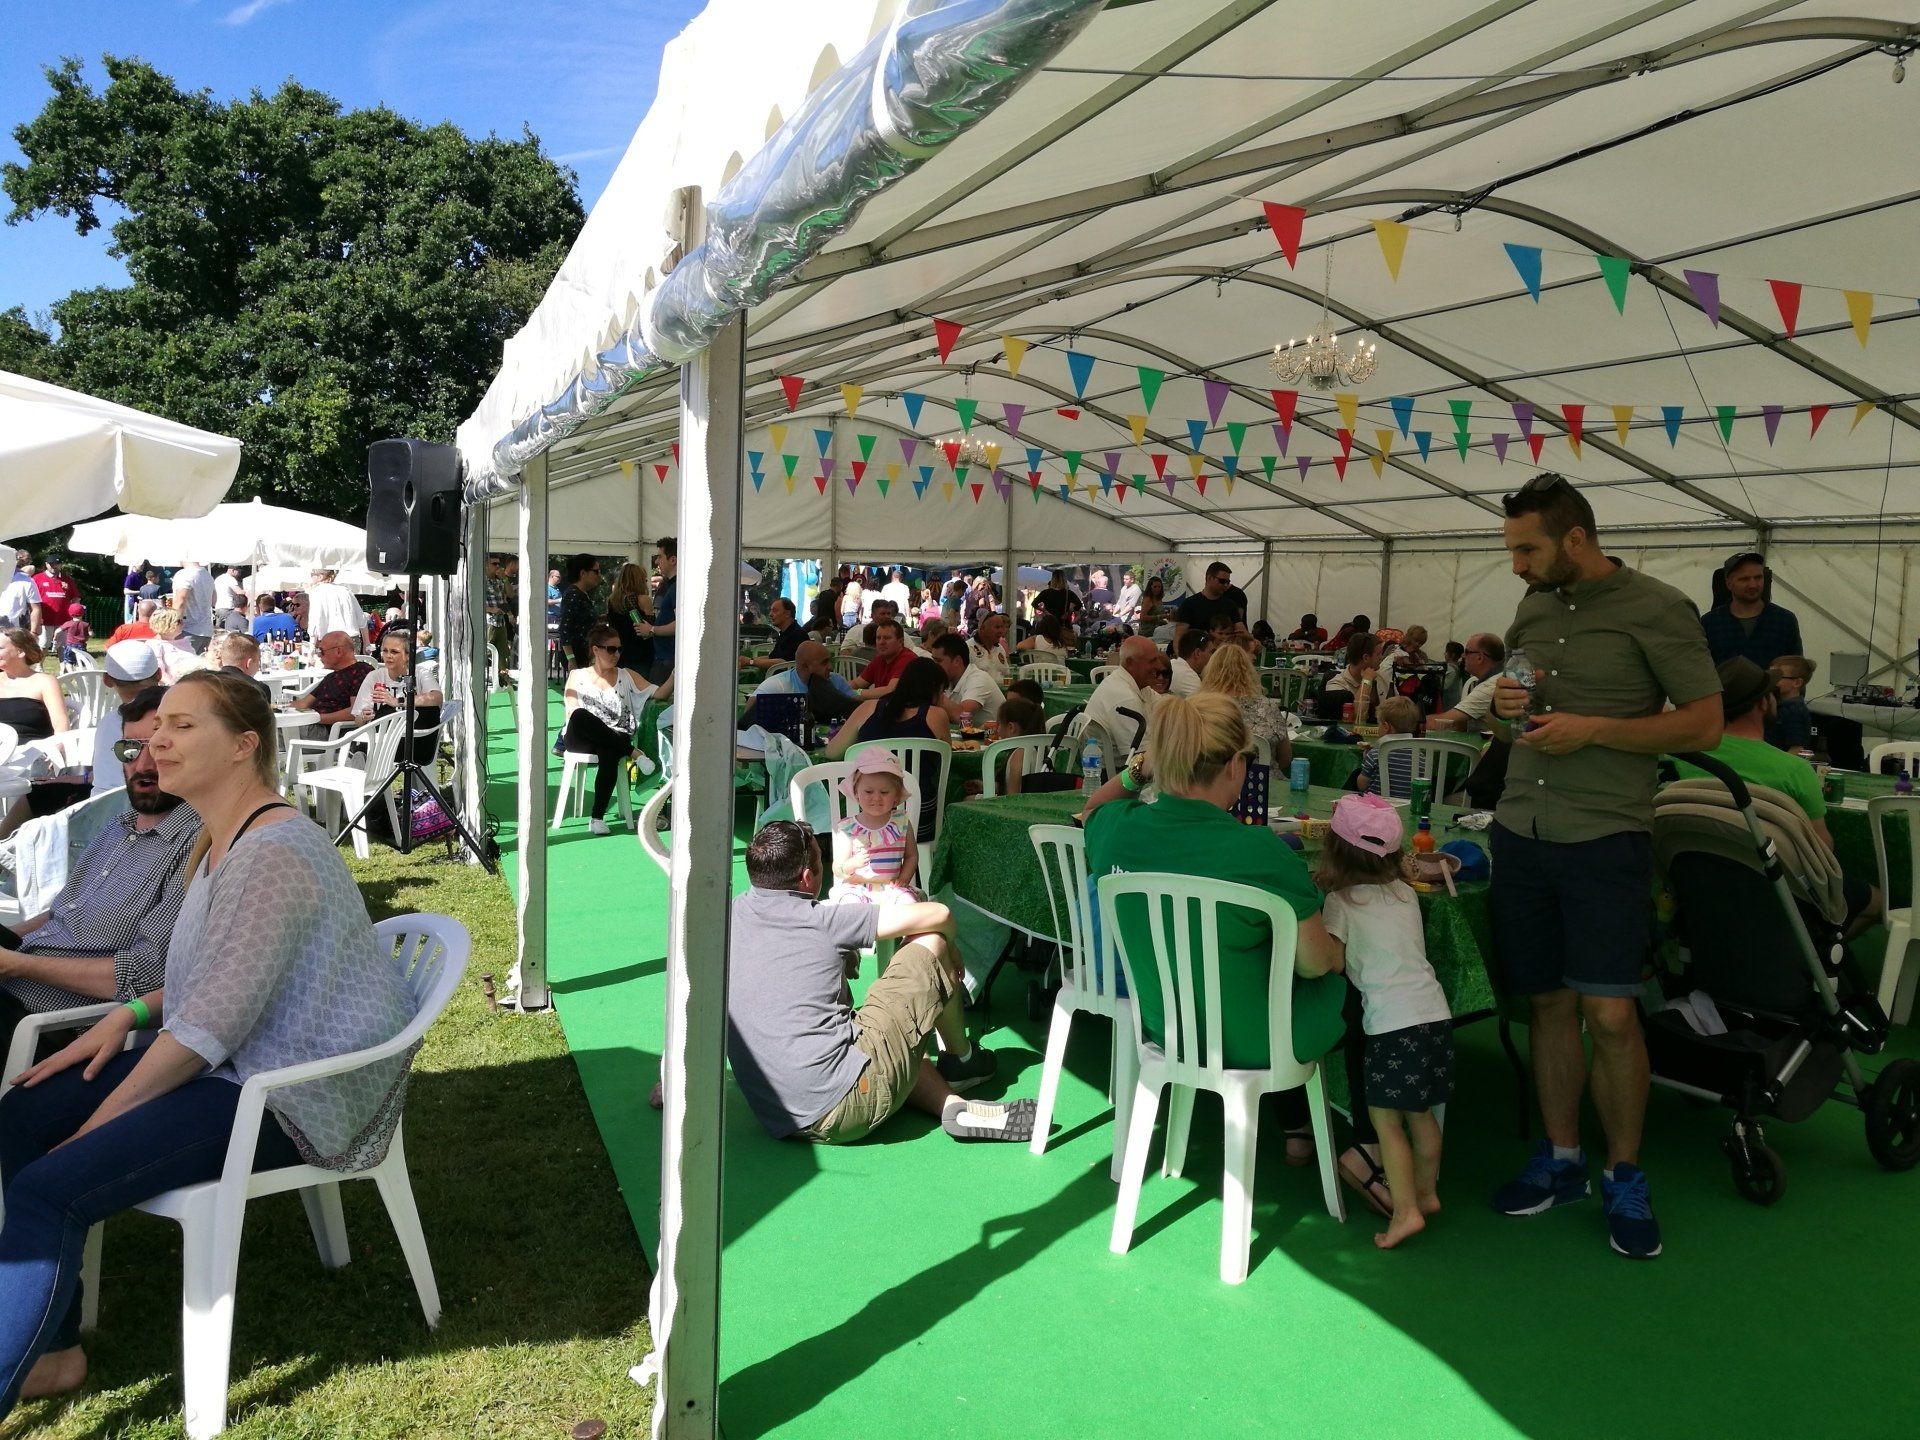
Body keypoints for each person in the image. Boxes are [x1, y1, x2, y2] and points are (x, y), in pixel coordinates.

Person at [0, 671, 418, 1417]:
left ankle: (30, 1362)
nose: (157, 739)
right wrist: (126, 1016)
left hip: (285, 1096)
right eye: (159, 725)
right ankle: (54, 1347)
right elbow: (213, 977)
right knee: (20, 1116)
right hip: (232, 1062)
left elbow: (207, 1030)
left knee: (48, 1185)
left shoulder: (272, 852)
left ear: (243, 747)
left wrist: (99, 1126)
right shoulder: (223, 840)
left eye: (185, 726)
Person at [1486, 473, 1721, 1261]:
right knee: (1548, 1007)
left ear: (1575, 539)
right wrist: (1507, 702)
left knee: (1611, 1016)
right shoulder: (1533, 606)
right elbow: (1513, 690)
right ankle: (1562, 1162)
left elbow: (1705, 725)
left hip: (1606, 835)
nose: (1515, 564)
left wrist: (1594, 730)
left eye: (1527, 548)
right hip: (1522, 826)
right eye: (1512, 548)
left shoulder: (1657, 608)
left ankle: (1625, 1173)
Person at [1082, 694, 1348, 1155]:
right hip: (1257, 1038)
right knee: (1351, 986)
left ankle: (1300, 1129)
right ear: (1233, 766)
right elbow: (1314, 966)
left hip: (1167, 1028)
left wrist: (1137, 771)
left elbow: (1091, 809)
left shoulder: (1116, 828)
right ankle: (1359, 1143)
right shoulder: (1261, 852)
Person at [725, 820, 1034, 1145]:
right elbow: (939, 914)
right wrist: (951, 952)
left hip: (780, 1113)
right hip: (850, 1100)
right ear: (806, 879)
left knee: (868, 1034)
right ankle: (963, 1061)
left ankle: (953, 1108)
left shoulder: (727, 917)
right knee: (931, 941)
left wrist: (669, 1083)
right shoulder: (823, 919)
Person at [0, 688, 200, 1055]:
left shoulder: (196, 842)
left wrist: (17, 966)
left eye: (159, 748)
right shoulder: (119, 825)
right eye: (130, 750)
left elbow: (146, 975)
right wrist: (7, 938)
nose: (142, 766)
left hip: (43, 1022)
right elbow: (60, 913)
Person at [1315, 793, 1452, 1249]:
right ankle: (1428, 1194)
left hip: (1391, 1026)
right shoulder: (1404, 895)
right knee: (1421, 1114)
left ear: (1334, 851)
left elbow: (1332, 962)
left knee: (1385, 1123)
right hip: (1434, 1015)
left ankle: (1406, 1210)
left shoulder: (1341, 902)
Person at [1676, 657, 1880, 937]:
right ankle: (1815, 954)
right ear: (1763, 704)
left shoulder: (1680, 756)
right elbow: (1822, 848)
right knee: (1880, 903)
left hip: (1698, 884)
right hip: (1777, 890)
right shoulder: (1794, 770)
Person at [559, 623, 653, 836]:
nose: (616, 654)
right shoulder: (577, 675)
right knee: (581, 715)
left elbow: (658, 693)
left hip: (613, 738)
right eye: (611, 649)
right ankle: (632, 753)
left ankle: (597, 818)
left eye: (619, 649)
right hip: (580, 735)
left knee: (610, 746)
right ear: (595, 650)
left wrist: (678, 673)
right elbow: (572, 708)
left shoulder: (625, 674)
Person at [827, 748, 921, 905]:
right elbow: (837, 868)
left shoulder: (901, 823)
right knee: (850, 903)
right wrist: (852, 864)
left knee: (908, 903)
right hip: (856, 888)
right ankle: (861, 926)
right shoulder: (849, 828)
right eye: (868, 791)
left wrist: (903, 880)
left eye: (884, 792)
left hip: (891, 888)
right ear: (856, 792)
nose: (876, 798)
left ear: (896, 796)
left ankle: (897, 928)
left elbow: (912, 856)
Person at [351, 630, 444, 765]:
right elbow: (357, 721)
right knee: (384, 714)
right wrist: (364, 717)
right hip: (381, 739)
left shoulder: (420, 673)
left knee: (394, 711)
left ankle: (364, 757)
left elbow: (437, 697)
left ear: (407, 655)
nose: (388, 656)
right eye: (385, 651)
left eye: (394, 652)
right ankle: (365, 760)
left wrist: (398, 702)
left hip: (414, 742)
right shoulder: (374, 676)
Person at [1701, 549, 1802, 670]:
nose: (1753, 585)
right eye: (1744, 579)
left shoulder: (1784, 620)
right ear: (1728, 584)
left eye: (1758, 577)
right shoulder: (1710, 623)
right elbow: (1702, 672)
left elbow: (1797, 670)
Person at [1200, 643, 1292, 772]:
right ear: (1249, 672)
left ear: (1210, 672)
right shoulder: (1268, 706)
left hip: (1215, 783)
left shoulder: (1201, 708)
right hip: (1265, 786)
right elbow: (1285, 759)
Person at [89, 642, 163, 797]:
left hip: (101, 807)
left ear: (107, 680)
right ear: (159, 674)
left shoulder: (107, 723)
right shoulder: (179, 720)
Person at [740, 641, 858, 729]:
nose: (830, 667)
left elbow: (856, 708)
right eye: (824, 663)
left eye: (829, 661)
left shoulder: (837, 681)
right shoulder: (777, 685)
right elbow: (750, 711)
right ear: (805, 666)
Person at [1083, 636, 1160, 756]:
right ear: (1130, 663)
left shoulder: (1136, 684)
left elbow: (1168, 710)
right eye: (1152, 661)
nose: (1158, 666)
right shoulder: (1125, 697)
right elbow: (1140, 758)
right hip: (1116, 771)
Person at [291, 631, 373, 728]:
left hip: (331, 732)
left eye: (321, 651)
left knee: (276, 729)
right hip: (311, 723)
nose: (318, 655)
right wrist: (273, 707)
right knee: (273, 724)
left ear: (338, 651)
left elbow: (356, 712)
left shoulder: (361, 671)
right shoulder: (330, 677)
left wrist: (315, 718)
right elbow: (303, 703)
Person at [1427, 633, 1505, 733]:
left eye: (1467, 651)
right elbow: (1459, 724)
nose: (1463, 656)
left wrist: (1408, 720)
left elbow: (1440, 723)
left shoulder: (1490, 686)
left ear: (1480, 658)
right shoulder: (1499, 677)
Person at [633, 537, 678, 685]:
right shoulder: (668, 584)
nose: (657, 561)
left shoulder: (679, 586)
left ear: (673, 559)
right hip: (662, 658)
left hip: (668, 661)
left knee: (659, 705)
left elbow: (682, 625)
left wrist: (652, 630)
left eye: (660, 557)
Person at [1356, 696, 1422, 795]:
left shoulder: (1375, 754)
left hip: (1377, 806)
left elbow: (1362, 785)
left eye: (1379, 724)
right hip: (1410, 806)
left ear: (1386, 727)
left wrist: (1366, 760)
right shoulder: (1420, 756)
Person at [929, 634, 1003, 722]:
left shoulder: (979, 679)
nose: (934, 666)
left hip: (996, 735)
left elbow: (961, 716)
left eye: (938, 661)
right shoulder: (948, 680)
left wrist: (934, 692)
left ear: (957, 661)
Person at [1324, 631, 1389, 720]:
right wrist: (1366, 681)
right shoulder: (1336, 685)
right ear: (1366, 657)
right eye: (1378, 654)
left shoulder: (1382, 676)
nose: (1382, 657)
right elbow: (1356, 717)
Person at [1172, 562, 1237, 648]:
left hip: (1223, 657)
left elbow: (1241, 631)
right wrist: (1182, 660)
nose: (1225, 585)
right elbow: (1179, 637)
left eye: (1227, 582)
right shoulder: (1189, 604)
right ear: (1209, 578)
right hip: (1196, 656)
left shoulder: (1230, 605)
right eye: (1222, 581)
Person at [556, 553, 601, 672]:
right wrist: (571, 660)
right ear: (583, 573)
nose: (599, 575)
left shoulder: (582, 594)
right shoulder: (573, 595)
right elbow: (564, 629)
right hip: (577, 655)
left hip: (585, 653)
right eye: (596, 571)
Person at [303, 570, 364, 653]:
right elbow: (362, 620)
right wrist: (367, 644)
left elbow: (315, 620)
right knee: (352, 666)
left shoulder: (316, 592)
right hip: (352, 640)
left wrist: (312, 646)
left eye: (312, 575)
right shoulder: (346, 591)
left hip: (331, 641)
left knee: (331, 666)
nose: (310, 578)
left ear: (320, 577)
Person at [853, 618, 915, 698]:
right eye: (878, 638)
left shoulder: (907, 659)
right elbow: (857, 683)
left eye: (887, 638)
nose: (881, 642)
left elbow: (890, 692)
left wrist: (857, 692)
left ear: (900, 641)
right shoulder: (879, 659)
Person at [1766, 655, 1816, 752]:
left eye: (1778, 676)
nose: (1772, 679)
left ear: (1797, 683)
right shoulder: (1779, 705)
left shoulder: (1795, 711)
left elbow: (1797, 748)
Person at [30, 561, 79, 654]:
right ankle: (39, 666)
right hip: (44, 619)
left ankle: (64, 667)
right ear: (46, 564)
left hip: (64, 620)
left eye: (57, 564)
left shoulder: (67, 579)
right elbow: (30, 599)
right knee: (43, 645)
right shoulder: (37, 578)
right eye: (51, 564)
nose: (54, 566)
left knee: (64, 646)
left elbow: (76, 597)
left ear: (61, 565)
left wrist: (75, 615)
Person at [207, 632, 271, 703]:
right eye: (258, 660)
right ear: (249, 663)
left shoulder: (206, 684)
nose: (259, 667)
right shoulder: (258, 689)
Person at [169, 558, 216, 653]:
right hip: (206, 630)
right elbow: (214, 601)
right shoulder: (207, 575)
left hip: (187, 630)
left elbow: (180, 601)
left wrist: (170, 627)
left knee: (183, 665)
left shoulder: (184, 574)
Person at [145, 608, 203, 685]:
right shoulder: (154, 645)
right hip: (173, 688)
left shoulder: (185, 642)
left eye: (183, 619)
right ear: (165, 623)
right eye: (179, 621)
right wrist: (175, 686)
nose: (183, 624)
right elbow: (159, 673)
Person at [968, 612, 1012, 683]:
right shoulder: (968, 648)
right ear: (982, 628)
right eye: (997, 627)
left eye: (1002, 627)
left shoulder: (1000, 649)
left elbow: (1007, 675)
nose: (1001, 631)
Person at [1168, 629, 1212, 698]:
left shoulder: (1172, 664)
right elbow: (1208, 704)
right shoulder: (1187, 675)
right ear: (1197, 653)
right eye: (1210, 652)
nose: (1212, 656)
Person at [764, 596, 808, 663]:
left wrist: (750, 662)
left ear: (787, 614)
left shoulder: (797, 634)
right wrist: (751, 660)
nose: (770, 614)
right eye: (771, 611)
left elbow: (782, 662)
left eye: (775, 611)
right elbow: (771, 657)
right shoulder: (784, 633)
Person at [212, 565, 246, 632]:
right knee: (229, 631)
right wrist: (247, 591)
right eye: (238, 572)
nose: (239, 574)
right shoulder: (230, 579)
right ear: (233, 570)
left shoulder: (218, 578)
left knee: (219, 631)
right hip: (228, 608)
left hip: (218, 608)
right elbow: (239, 592)